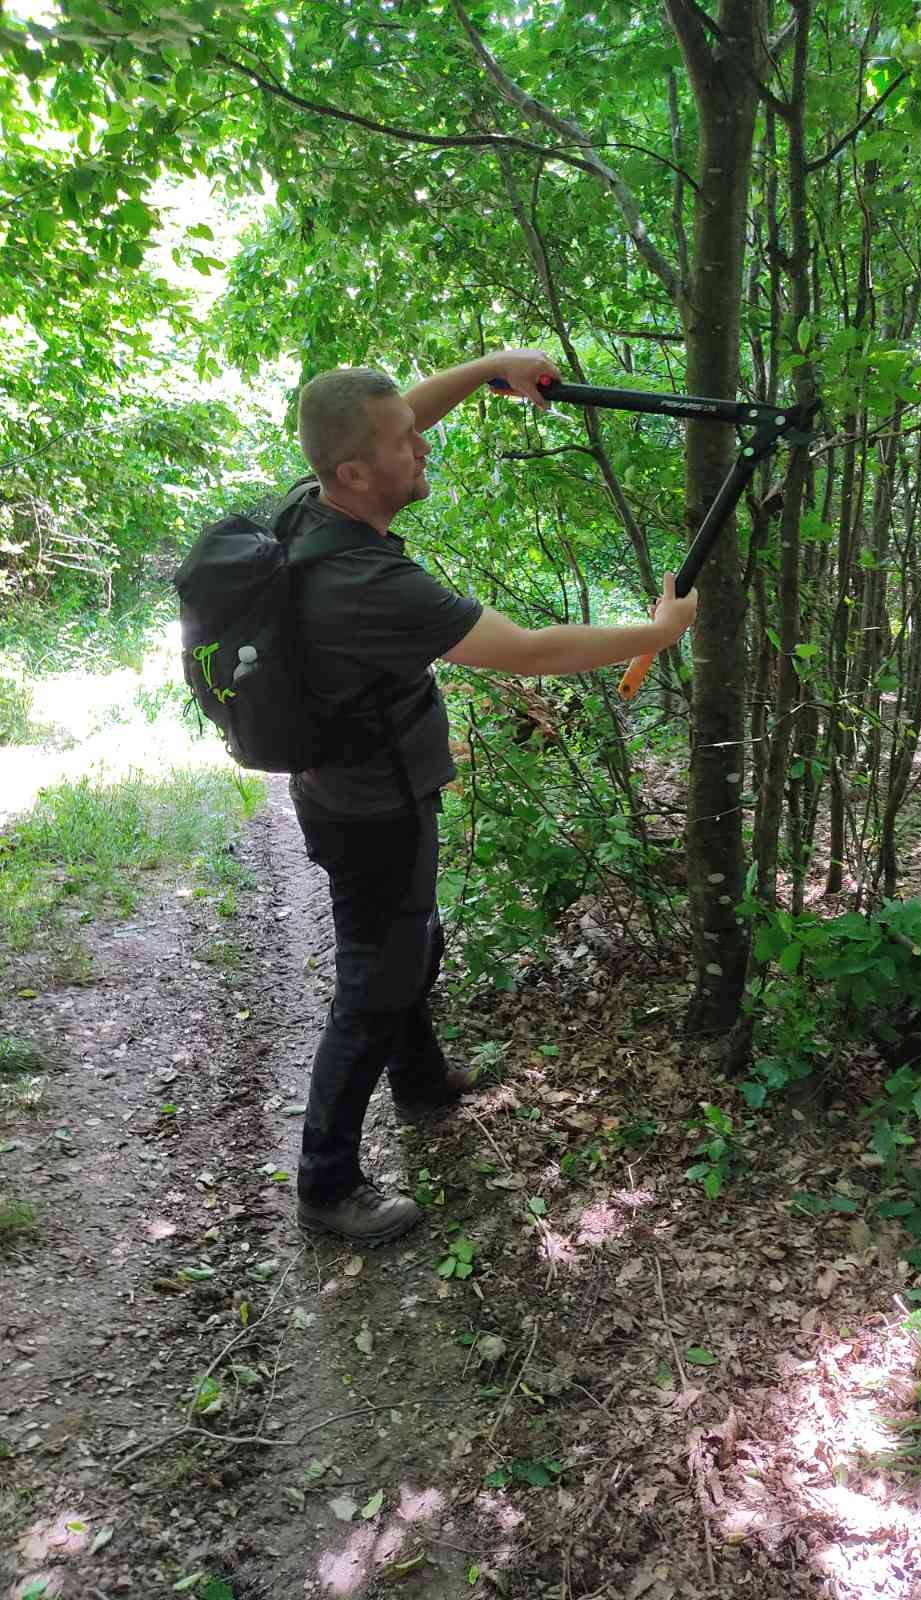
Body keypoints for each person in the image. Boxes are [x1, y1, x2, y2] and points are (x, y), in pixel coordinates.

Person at [283, 351, 698, 1245]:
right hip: (374, 809)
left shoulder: (311, 506)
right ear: (354, 473)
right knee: (374, 980)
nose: (423, 445)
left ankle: (421, 1081)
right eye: (406, 442)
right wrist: (658, 632)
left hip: (359, 790)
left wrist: (485, 371)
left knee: (407, 943)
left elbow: (395, 421)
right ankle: (326, 1183)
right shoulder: (371, 587)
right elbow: (531, 651)